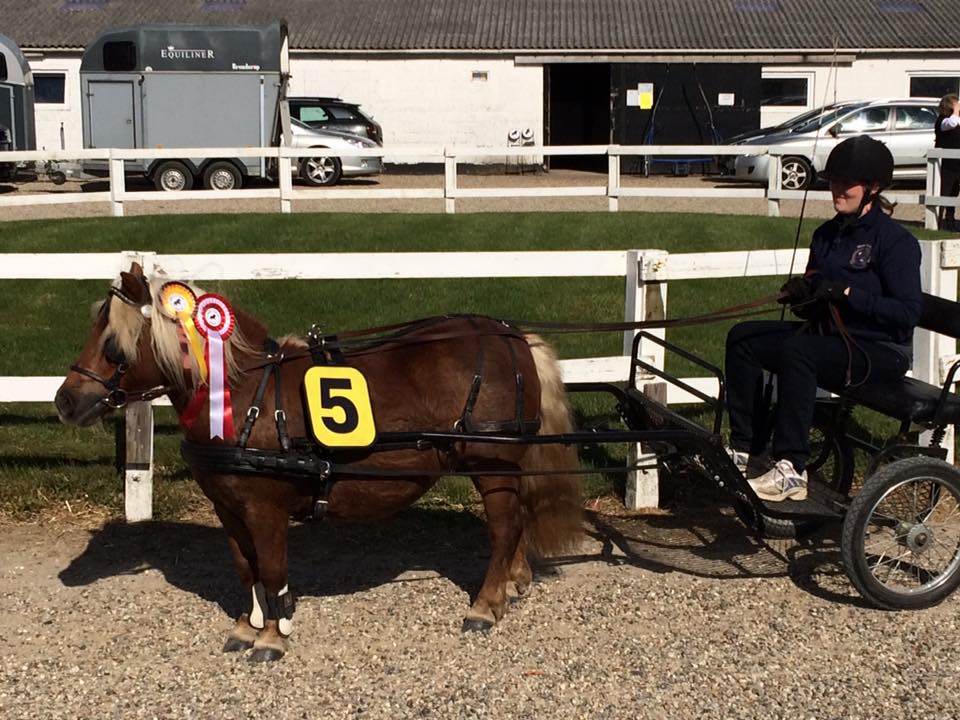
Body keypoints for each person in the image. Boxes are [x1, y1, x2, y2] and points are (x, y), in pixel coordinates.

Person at [725, 135, 923, 501]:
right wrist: (802, 295)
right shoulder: (826, 235)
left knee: (799, 352)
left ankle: (792, 469)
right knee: (743, 337)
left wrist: (849, 294)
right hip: (829, 336)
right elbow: (816, 298)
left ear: (872, 188)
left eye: (846, 184)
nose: (837, 190)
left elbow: (907, 313)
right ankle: (746, 448)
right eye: (833, 182)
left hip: (880, 349)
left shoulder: (895, 242)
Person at [935, 93, 960, 231]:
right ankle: (938, 220)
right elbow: (951, 123)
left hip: (957, 163)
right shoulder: (943, 120)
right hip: (947, 164)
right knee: (944, 191)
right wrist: (956, 110)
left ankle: (950, 219)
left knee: (954, 192)